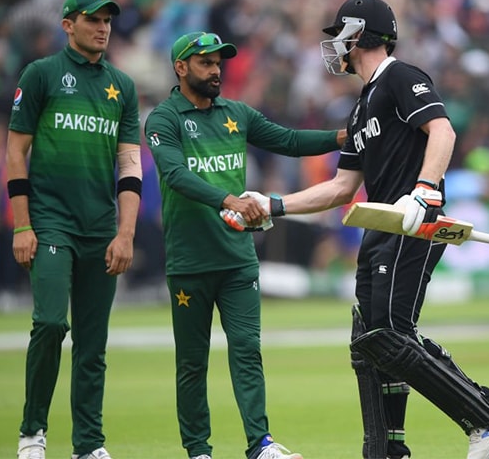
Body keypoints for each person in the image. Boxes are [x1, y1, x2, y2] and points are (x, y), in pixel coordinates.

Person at [227, 0, 489, 459]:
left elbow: (443, 131)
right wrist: (273, 204)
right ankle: (386, 449)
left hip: (413, 221)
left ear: (358, 33)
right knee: (369, 341)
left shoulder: (401, 76)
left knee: (390, 335)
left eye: (338, 33)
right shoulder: (361, 105)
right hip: (380, 225)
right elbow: (341, 187)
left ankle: (486, 418)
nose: (333, 45)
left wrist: (425, 189)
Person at [144, 31, 346, 459]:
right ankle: (198, 450)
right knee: (192, 363)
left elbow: (289, 141)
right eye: (205, 62)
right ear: (180, 68)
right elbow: (175, 175)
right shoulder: (163, 120)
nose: (216, 70)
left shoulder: (235, 112)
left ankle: (261, 445)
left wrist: (339, 138)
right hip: (189, 263)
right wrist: (229, 199)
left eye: (219, 62)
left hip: (237, 259)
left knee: (247, 352)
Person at [7, 0, 141, 459]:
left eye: (107, 20)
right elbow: (16, 150)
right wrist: (22, 225)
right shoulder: (41, 74)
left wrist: (125, 233)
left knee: (93, 344)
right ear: (68, 25)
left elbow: (129, 165)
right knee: (48, 323)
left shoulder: (122, 86)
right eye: (92, 19)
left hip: (101, 225)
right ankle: (32, 434)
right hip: (49, 222)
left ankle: (88, 446)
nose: (102, 27)